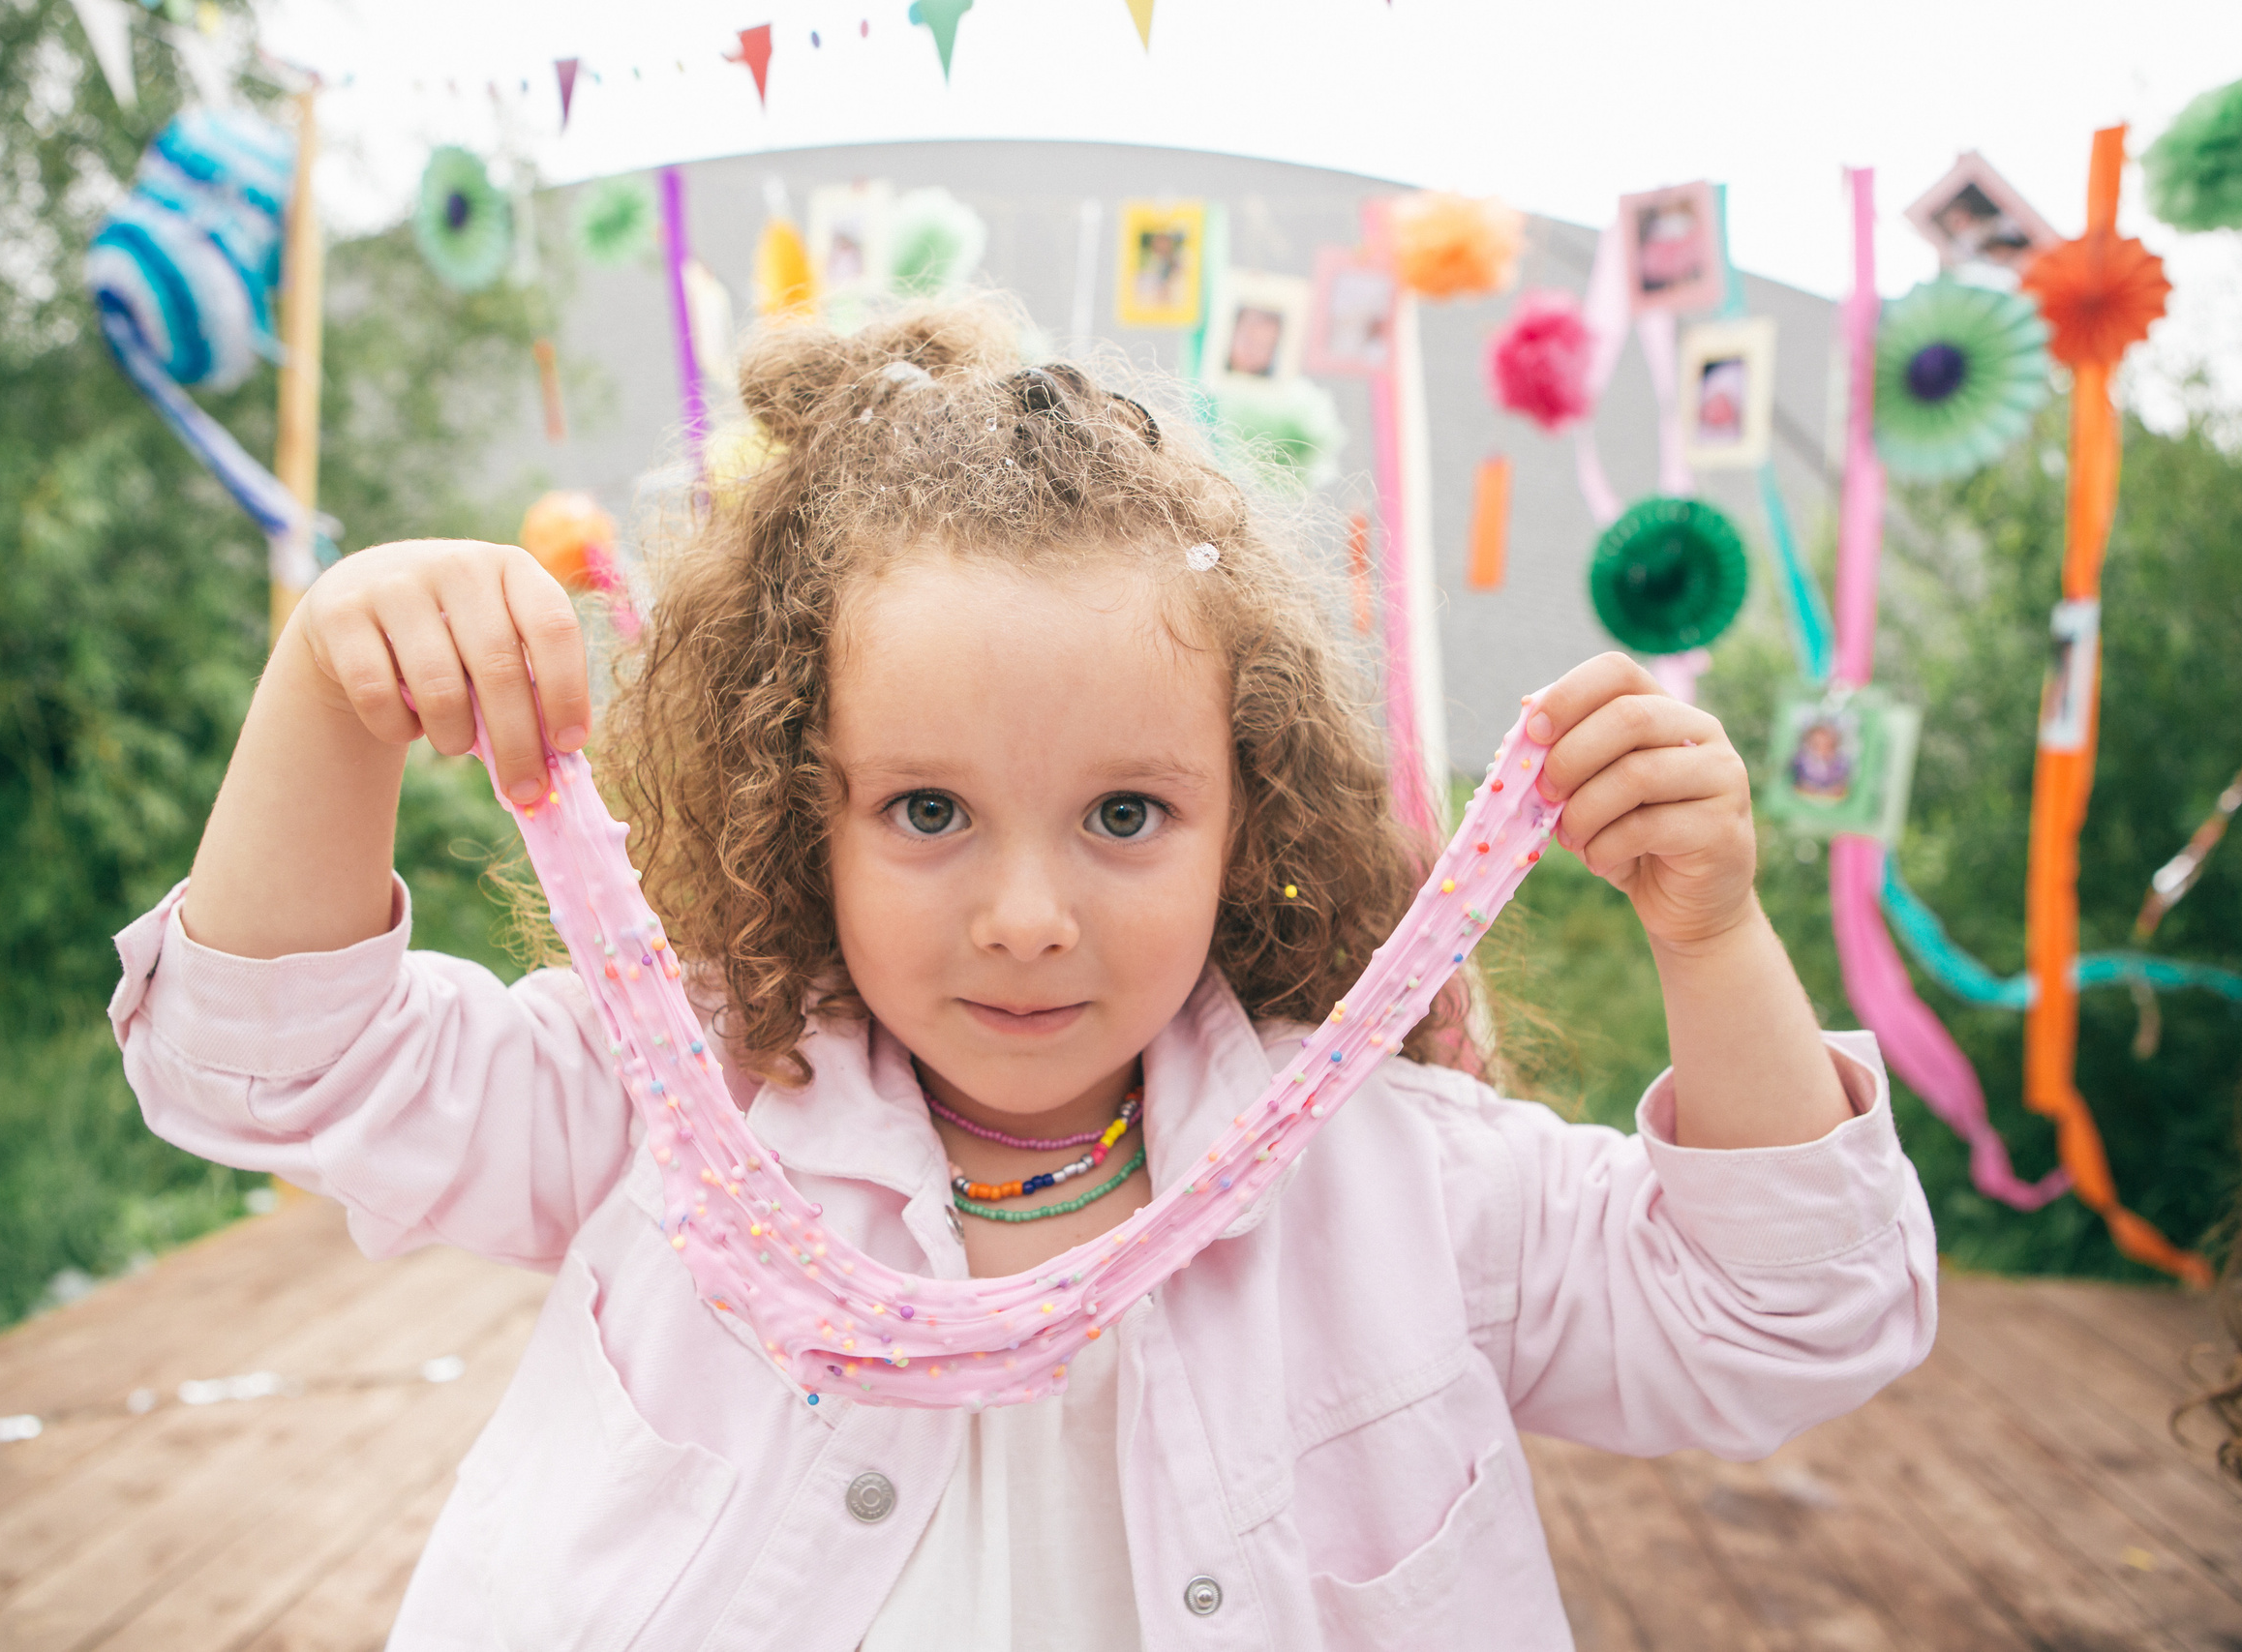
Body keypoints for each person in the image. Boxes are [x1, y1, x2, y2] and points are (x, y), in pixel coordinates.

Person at [112, 300, 1935, 1650]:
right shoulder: (666, 1093)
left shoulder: (1402, 1180)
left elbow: (1785, 1322)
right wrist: (329, 691)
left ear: (1251, 812)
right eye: (926, 809)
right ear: (796, 810)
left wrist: (1709, 934)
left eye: (1127, 813)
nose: (1029, 915)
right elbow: (270, 1068)